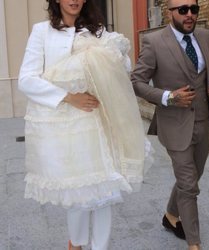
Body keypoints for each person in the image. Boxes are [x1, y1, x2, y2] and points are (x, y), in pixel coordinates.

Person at [18, 0, 150, 250]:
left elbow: (122, 70)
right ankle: (76, 244)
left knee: (104, 191)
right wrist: (68, 97)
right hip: (62, 126)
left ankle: (100, 247)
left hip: (98, 120)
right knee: (77, 192)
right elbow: (26, 80)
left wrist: (117, 54)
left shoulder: (98, 31)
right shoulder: (42, 31)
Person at [131, 0, 209, 249]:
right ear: (170, 12)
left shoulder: (206, 36)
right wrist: (168, 96)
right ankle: (194, 244)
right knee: (189, 185)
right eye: (183, 10)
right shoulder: (154, 42)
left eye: (194, 9)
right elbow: (137, 81)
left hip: (204, 121)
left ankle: (170, 216)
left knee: (193, 177)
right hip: (174, 125)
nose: (189, 15)